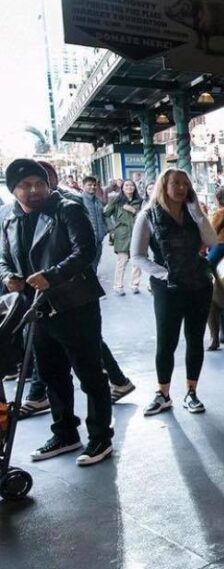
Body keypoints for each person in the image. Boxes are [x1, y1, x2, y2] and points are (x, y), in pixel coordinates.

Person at [0, 159, 116, 466]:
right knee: (51, 375)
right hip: (35, 309)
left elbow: (85, 251)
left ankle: (100, 437)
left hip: (75, 304)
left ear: (48, 184)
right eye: (25, 185)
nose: (34, 190)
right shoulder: (8, 218)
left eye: (39, 183)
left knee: (89, 373)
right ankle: (65, 433)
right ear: (14, 190)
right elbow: (2, 258)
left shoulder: (67, 208)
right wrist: (6, 276)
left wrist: (52, 275)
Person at [131, 168, 217, 416]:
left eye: (185, 183)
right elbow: (137, 255)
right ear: (163, 186)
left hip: (199, 283)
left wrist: (198, 213)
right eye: (175, 183)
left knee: (195, 338)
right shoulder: (148, 215)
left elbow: (212, 242)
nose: (181, 188)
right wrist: (162, 274)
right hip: (168, 286)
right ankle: (163, 393)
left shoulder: (193, 213)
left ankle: (192, 392)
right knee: (166, 341)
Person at [103, 179, 143, 295]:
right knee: (122, 261)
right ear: (122, 187)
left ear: (135, 188)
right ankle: (118, 286)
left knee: (137, 260)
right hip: (122, 234)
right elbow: (105, 214)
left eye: (131, 185)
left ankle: (135, 284)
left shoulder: (139, 201)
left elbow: (146, 216)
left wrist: (134, 211)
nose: (129, 187)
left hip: (137, 233)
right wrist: (112, 228)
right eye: (126, 185)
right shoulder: (116, 200)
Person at [80, 176, 109, 270]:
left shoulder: (97, 201)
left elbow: (102, 217)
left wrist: (105, 230)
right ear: (83, 186)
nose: (92, 187)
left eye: (94, 185)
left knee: (96, 262)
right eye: (89, 185)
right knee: (88, 264)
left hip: (99, 239)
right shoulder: (80, 200)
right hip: (87, 240)